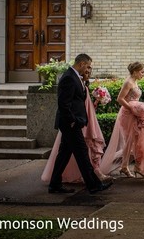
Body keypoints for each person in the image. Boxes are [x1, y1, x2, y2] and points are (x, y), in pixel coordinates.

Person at [48, 54, 112, 194]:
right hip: (70, 124)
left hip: (73, 123)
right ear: (82, 64)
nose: (89, 69)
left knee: (64, 154)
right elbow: (64, 103)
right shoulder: (69, 77)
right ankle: (94, 185)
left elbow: (79, 97)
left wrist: (86, 81)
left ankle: (54, 184)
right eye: (88, 66)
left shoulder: (76, 76)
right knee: (82, 154)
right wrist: (72, 121)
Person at [100, 62, 144, 179]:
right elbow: (120, 99)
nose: (143, 74)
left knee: (139, 140)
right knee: (131, 141)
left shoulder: (134, 81)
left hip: (136, 114)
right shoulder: (128, 82)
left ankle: (133, 167)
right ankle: (128, 167)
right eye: (142, 72)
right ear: (134, 72)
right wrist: (132, 108)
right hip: (128, 115)